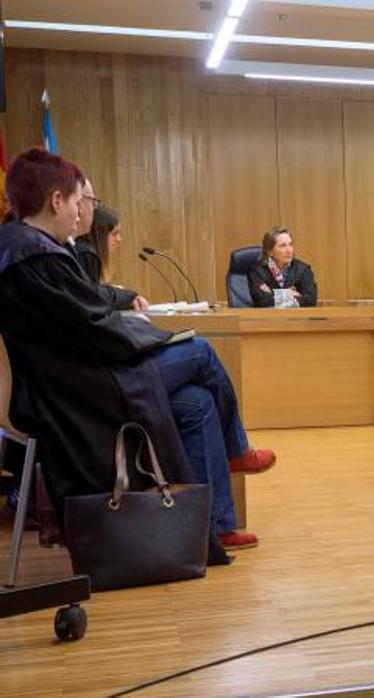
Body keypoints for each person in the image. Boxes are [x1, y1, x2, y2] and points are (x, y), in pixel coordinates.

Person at [0, 149, 272, 552]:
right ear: (56, 200)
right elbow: (93, 326)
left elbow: (85, 317)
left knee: (196, 402)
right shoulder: (36, 256)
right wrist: (152, 336)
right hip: (76, 392)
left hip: (71, 378)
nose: (79, 213)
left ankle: (213, 526)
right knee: (199, 351)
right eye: (77, 202)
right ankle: (237, 452)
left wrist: (133, 329)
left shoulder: (21, 246)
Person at [73, 203, 150, 312]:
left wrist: (115, 294)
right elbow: (91, 299)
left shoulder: (83, 249)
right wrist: (122, 296)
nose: (119, 239)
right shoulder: (87, 254)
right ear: (100, 233)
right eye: (115, 233)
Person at [247, 226, 318, 308]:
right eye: (283, 246)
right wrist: (290, 294)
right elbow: (263, 301)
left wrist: (274, 294)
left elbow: (310, 300)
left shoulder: (303, 270)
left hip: (296, 319)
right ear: (270, 252)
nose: (289, 250)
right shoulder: (257, 271)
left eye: (290, 244)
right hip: (267, 319)